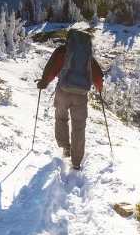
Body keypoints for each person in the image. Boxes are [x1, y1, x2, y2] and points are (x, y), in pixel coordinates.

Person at [36, 28, 104, 170]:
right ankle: (76, 162)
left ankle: (65, 148)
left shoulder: (63, 51)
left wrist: (44, 82)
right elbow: (98, 76)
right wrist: (99, 88)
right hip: (81, 95)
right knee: (79, 127)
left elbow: (51, 69)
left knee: (61, 119)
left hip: (63, 91)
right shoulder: (87, 56)